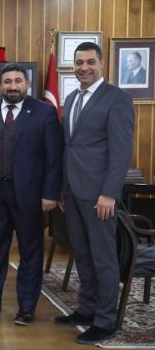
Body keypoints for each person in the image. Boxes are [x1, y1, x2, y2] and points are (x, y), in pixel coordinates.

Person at [0, 63, 63, 325]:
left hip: (30, 196)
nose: (13, 86)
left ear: (27, 83)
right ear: (0, 85)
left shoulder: (44, 112)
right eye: (7, 81)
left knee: (30, 252)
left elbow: (54, 157)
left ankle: (27, 307)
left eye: (18, 81)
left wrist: (50, 193)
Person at [55, 42, 134, 344]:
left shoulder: (117, 99)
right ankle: (86, 310)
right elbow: (70, 148)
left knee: (103, 258)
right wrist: (64, 188)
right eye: (79, 62)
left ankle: (105, 320)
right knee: (82, 254)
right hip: (74, 192)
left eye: (90, 62)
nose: (84, 68)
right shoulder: (72, 98)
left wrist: (109, 193)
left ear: (102, 64)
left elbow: (120, 150)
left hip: (100, 195)